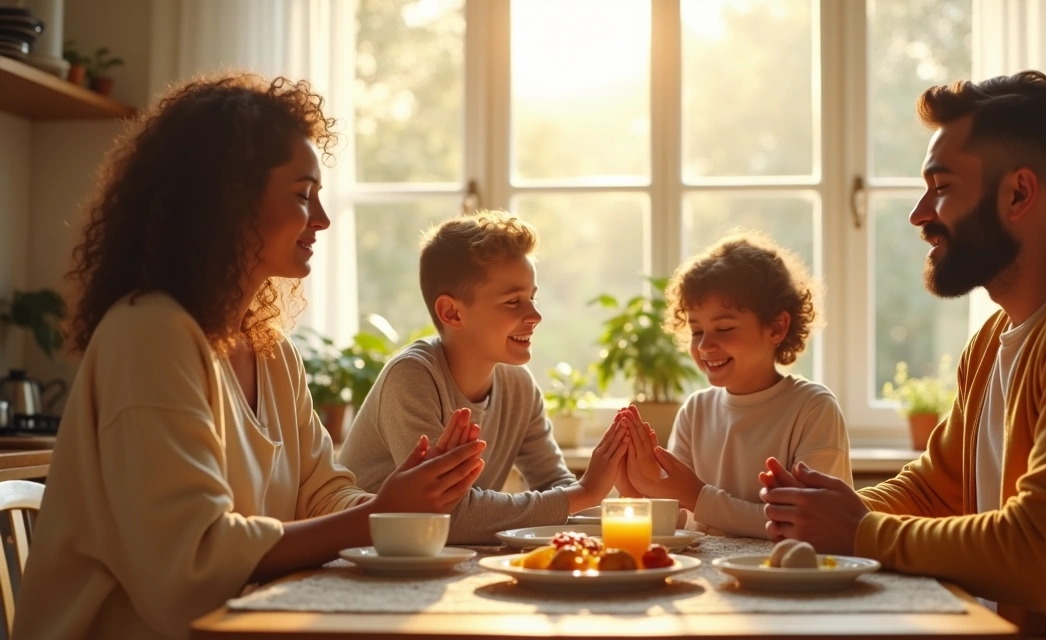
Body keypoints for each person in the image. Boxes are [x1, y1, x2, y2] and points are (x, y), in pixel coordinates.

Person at [12, 74, 487, 640]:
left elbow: (320, 492)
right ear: (226, 201)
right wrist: (373, 516)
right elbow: (191, 566)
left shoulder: (271, 350)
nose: (323, 220)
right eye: (302, 195)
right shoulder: (148, 334)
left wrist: (401, 502)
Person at [759, 70, 1046, 638]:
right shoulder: (996, 337)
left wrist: (856, 530)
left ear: (1019, 193)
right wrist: (812, 509)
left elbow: (1039, 557)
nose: (920, 213)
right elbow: (934, 489)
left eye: (942, 186)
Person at [339, 211, 627, 544]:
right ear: (452, 313)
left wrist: (625, 515)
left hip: (433, 559)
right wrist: (585, 493)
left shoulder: (518, 385)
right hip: (363, 561)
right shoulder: (411, 378)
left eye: (532, 298)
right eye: (513, 301)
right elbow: (449, 517)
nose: (535, 315)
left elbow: (555, 487)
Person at [614, 232, 850, 538]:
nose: (705, 346)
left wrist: (697, 496)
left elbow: (806, 525)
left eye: (724, 328)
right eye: (697, 331)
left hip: (786, 580)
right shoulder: (695, 411)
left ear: (777, 327)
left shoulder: (813, 409)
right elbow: (678, 522)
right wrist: (639, 492)